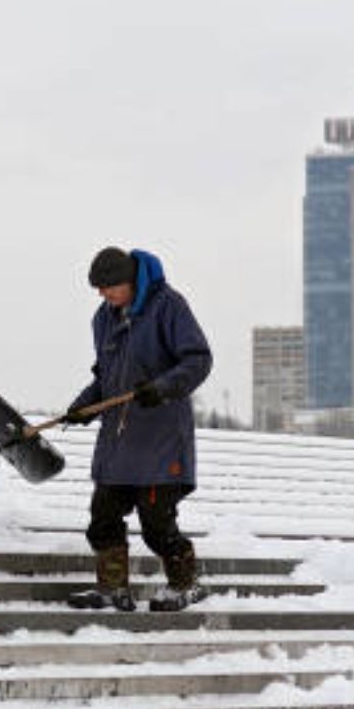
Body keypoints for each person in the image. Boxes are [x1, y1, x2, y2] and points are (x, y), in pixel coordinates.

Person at [58, 246, 213, 612]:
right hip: (118, 442)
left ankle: (185, 584)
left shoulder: (169, 305)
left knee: (157, 525)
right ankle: (113, 589)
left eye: (108, 286)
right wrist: (83, 406)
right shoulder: (103, 319)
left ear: (130, 281)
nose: (103, 294)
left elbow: (198, 359)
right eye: (98, 288)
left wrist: (161, 388)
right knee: (103, 518)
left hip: (160, 438)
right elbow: (105, 376)